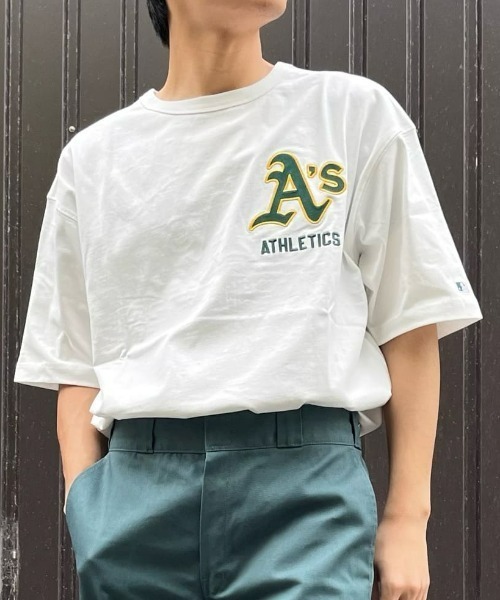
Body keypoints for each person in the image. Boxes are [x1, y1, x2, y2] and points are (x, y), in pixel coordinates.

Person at [13, 1, 483, 599]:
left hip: (306, 495)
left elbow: (409, 320)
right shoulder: (94, 159)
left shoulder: (349, 114)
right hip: (134, 494)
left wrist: (408, 517)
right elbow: (74, 361)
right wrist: (88, 509)